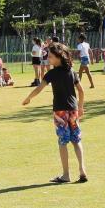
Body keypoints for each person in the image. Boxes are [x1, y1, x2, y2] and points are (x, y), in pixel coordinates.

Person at [21, 43, 88, 184]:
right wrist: (80, 107)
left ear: (58, 57)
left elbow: (39, 88)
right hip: (73, 110)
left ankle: (66, 175)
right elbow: (81, 91)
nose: (48, 58)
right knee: (76, 140)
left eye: (50, 56)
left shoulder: (51, 73)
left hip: (60, 111)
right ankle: (82, 170)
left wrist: (28, 98)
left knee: (63, 142)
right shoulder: (72, 71)